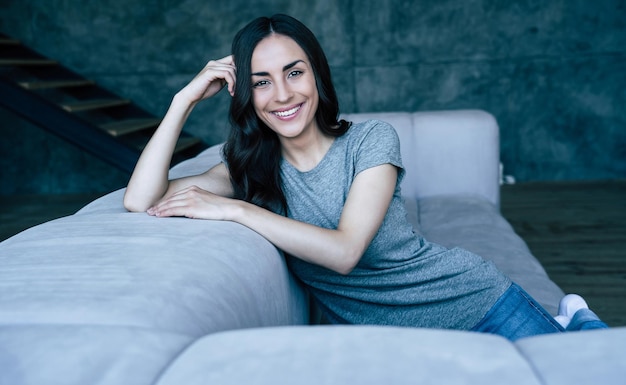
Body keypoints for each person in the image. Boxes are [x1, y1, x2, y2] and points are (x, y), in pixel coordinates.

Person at [123, 14, 607, 341]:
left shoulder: (371, 141)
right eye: (262, 81)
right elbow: (139, 198)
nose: (283, 94)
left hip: (476, 304)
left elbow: (344, 251)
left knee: (589, 367)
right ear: (246, 94)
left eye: (295, 73)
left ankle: (579, 321)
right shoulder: (249, 166)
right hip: (396, 341)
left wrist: (234, 209)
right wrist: (182, 100)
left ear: (317, 75)